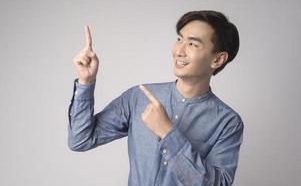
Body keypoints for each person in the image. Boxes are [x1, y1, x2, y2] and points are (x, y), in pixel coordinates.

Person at [68, 10, 244, 186]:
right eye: (179, 39)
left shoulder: (228, 122)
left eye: (192, 44)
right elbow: (80, 140)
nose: (179, 51)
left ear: (218, 59)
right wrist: (86, 82)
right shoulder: (138, 97)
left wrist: (168, 133)